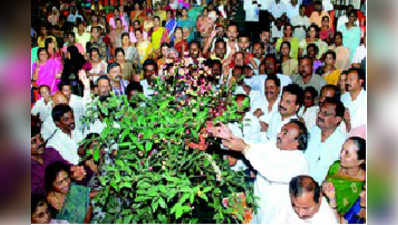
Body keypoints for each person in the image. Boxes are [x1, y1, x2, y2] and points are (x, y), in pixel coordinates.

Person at [215, 119, 309, 223]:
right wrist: (230, 136)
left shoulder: (300, 163)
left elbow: (271, 173)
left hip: (278, 215)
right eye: (281, 130)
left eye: (285, 133)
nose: (279, 134)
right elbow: (251, 146)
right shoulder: (274, 145)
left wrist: (245, 149)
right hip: (259, 207)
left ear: (297, 143)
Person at [31, 125, 86, 196]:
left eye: (41, 138)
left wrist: (75, 169)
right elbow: (37, 194)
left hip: (71, 189)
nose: (40, 143)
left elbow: (67, 166)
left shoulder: (50, 152)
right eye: (33, 141)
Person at [304, 98, 346, 184]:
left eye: (325, 113)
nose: (320, 115)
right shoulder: (312, 132)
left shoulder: (342, 144)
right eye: (320, 111)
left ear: (337, 119)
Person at [322, 137, 366, 217]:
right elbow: (324, 184)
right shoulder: (336, 166)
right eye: (342, 150)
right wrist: (324, 186)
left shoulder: (363, 185)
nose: (341, 155)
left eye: (347, 153)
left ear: (360, 161)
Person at [340, 68, 366, 138]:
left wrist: (347, 121)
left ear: (360, 82)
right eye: (346, 80)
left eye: (351, 80)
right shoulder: (343, 98)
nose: (347, 82)